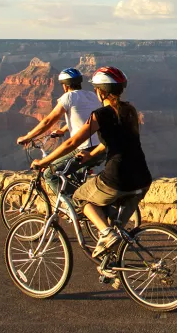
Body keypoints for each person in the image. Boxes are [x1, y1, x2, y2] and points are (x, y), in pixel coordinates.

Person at [30, 66, 152, 258]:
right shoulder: (130, 110)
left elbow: (72, 142)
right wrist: (91, 154)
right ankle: (111, 266)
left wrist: (44, 161)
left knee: (79, 198)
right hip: (143, 177)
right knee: (118, 229)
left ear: (100, 91)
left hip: (118, 176)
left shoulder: (100, 115)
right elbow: (117, 140)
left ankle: (105, 233)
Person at [17, 67, 104, 194]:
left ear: (64, 85)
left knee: (49, 174)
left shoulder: (68, 97)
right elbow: (87, 120)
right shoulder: (91, 95)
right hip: (100, 148)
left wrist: (28, 137)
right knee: (76, 178)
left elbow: (48, 121)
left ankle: (79, 205)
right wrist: (63, 130)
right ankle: (79, 206)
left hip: (83, 149)